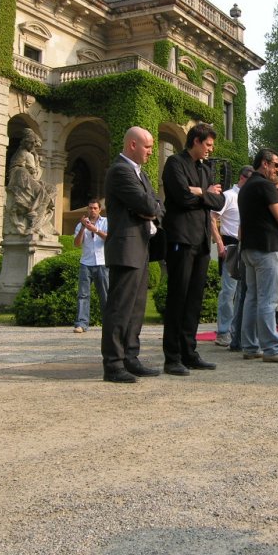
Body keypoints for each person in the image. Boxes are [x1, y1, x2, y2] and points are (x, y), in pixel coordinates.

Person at [100, 127, 165, 383]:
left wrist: (151, 208)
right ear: (132, 145)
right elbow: (150, 205)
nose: (151, 151)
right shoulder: (120, 171)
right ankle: (113, 364)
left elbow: (158, 207)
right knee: (120, 309)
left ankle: (130, 357)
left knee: (136, 309)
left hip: (140, 247)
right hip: (126, 248)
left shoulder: (139, 173)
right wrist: (150, 207)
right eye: (148, 147)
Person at [160, 123, 225, 375]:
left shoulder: (205, 168)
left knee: (194, 300)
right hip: (181, 238)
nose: (210, 149)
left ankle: (189, 352)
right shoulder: (175, 163)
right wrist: (202, 194)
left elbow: (219, 200)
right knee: (178, 297)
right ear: (196, 141)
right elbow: (181, 198)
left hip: (201, 241)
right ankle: (172, 357)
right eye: (208, 144)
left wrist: (199, 192)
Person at [238, 148, 278, 363]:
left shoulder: (246, 187)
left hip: (248, 249)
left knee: (252, 298)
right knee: (267, 299)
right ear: (265, 163)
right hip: (265, 248)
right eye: (276, 164)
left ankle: (251, 346)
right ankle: (272, 349)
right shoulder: (265, 185)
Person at [211, 165, 253, 346]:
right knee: (229, 291)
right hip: (231, 245)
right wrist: (220, 243)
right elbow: (211, 217)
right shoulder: (229, 196)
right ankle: (223, 331)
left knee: (242, 291)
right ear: (243, 178)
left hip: (245, 246)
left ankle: (236, 330)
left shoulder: (247, 197)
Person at [5, 128, 56, 236]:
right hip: (22, 179)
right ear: (26, 142)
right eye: (32, 144)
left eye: (34, 144)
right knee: (43, 195)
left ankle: (42, 221)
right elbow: (15, 169)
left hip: (32, 179)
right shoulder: (21, 153)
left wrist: (35, 168)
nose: (33, 146)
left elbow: (36, 174)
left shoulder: (33, 155)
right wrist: (27, 171)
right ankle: (34, 225)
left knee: (53, 189)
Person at [72, 199, 109, 334]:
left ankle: (108, 323)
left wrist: (96, 230)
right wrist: (83, 227)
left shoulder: (106, 222)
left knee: (105, 295)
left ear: (99, 209)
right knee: (83, 295)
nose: (92, 210)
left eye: (95, 208)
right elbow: (77, 243)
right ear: (87, 209)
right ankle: (81, 324)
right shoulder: (80, 224)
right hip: (86, 263)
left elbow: (109, 238)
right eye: (90, 208)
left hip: (102, 263)